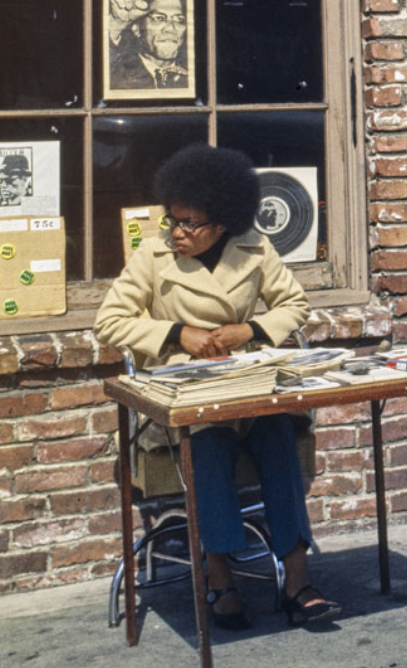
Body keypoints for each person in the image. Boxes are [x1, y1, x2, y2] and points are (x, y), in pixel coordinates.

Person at [95, 144, 340, 630]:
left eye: (191, 223)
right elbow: (109, 322)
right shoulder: (153, 254)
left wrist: (249, 331)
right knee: (204, 446)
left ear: (223, 222)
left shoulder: (255, 246)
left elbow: (295, 304)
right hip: (186, 394)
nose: (178, 232)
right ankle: (220, 574)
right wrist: (173, 334)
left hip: (247, 385)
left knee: (276, 437)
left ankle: (298, 579)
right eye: (174, 220)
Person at [107, 0, 190, 92]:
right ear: (137, 29)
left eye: (179, 20)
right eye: (159, 18)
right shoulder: (117, 72)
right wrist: (116, 24)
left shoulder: (193, 74)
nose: (171, 29)